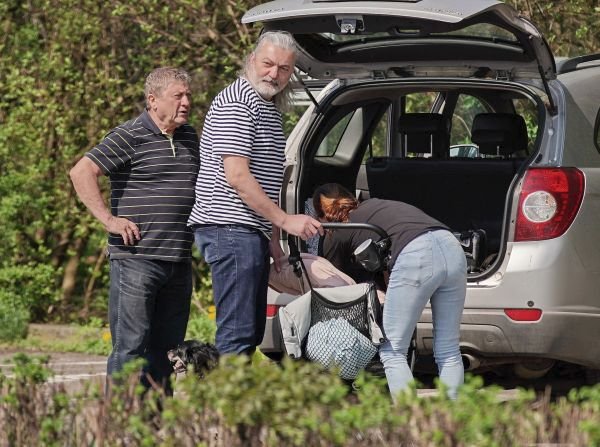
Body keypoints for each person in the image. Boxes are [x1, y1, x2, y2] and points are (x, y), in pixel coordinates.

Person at [188, 31, 322, 355]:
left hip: (251, 232)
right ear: (252, 61)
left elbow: (269, 181)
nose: (274, 74)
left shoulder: (268, 109)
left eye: (284, 69)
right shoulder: (237, 103)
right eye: (268, 64)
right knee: (237, 336)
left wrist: (274, 239)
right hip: (230, 229)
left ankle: (235, 402)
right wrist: (286, 221)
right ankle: (227, 406)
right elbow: (238, 177)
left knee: (250, 332)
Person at [69, 67, 199, 393]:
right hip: (136, 260)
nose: (186, 102)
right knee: (130, 347)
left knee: (167, 351)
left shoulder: (190, 136)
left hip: (179, 260)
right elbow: (81, 172)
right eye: (178, 96)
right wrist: (109, 220)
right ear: (153, 100)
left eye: (188, 95)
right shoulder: (130, 134)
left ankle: (153, 425)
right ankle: (118, 426)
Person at [313, 183, 467, 400]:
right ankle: (453, 420)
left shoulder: (340, 230)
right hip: (452, 246)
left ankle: (408, 422)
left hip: (415, 255)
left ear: (320, 215)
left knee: (393, 350)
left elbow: (337, 278)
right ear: (350, 198)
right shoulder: (375, 206)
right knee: (449, 349)